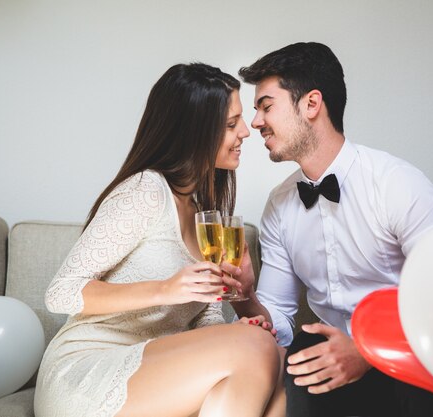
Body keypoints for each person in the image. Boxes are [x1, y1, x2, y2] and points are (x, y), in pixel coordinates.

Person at [33, 63, 285, 417]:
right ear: (193, 131)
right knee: (257, 347)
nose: (245, 131)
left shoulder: (205, 216)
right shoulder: (145, 191)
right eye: (231, 124)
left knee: (276, 359)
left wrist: (244, 298)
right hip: (88, 371)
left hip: (156, 376)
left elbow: (206, 321)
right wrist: (166, 289)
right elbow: (59, 293)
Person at [227, 42, 433, 417]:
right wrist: (245, 298)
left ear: (312, 104)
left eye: (266, 106)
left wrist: (368, 351)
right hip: (332, 359)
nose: (255, 123)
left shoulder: (397, 184)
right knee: (300, 359)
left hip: (415, 352)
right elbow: (280, 321)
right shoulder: (280, 205)